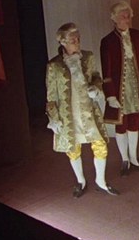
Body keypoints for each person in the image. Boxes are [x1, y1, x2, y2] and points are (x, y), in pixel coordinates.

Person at [46, 22, 119, 198]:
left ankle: (101, 181)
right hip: (69, 114)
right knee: (73, 148)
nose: (77, 42)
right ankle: (81, 181)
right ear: (63, 42)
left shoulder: (87, 57)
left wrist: (96, 87)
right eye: (73, 40)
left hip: (88, 110)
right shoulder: (54, 65)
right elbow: (51, 96)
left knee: (100, 144)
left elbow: (96, 77)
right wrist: (54, 118)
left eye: (78, 38)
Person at [100, 1, 139, 176]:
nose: (127, 19)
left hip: (137, 89)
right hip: (119, 92)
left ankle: (134, 158)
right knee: (121, 125)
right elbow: (106, 72)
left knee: (134, 123)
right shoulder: (107, 41)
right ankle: (125, 159)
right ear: (114, 19)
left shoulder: (138, 36)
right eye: (123, 16)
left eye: (128, 16)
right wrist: (110, 95)